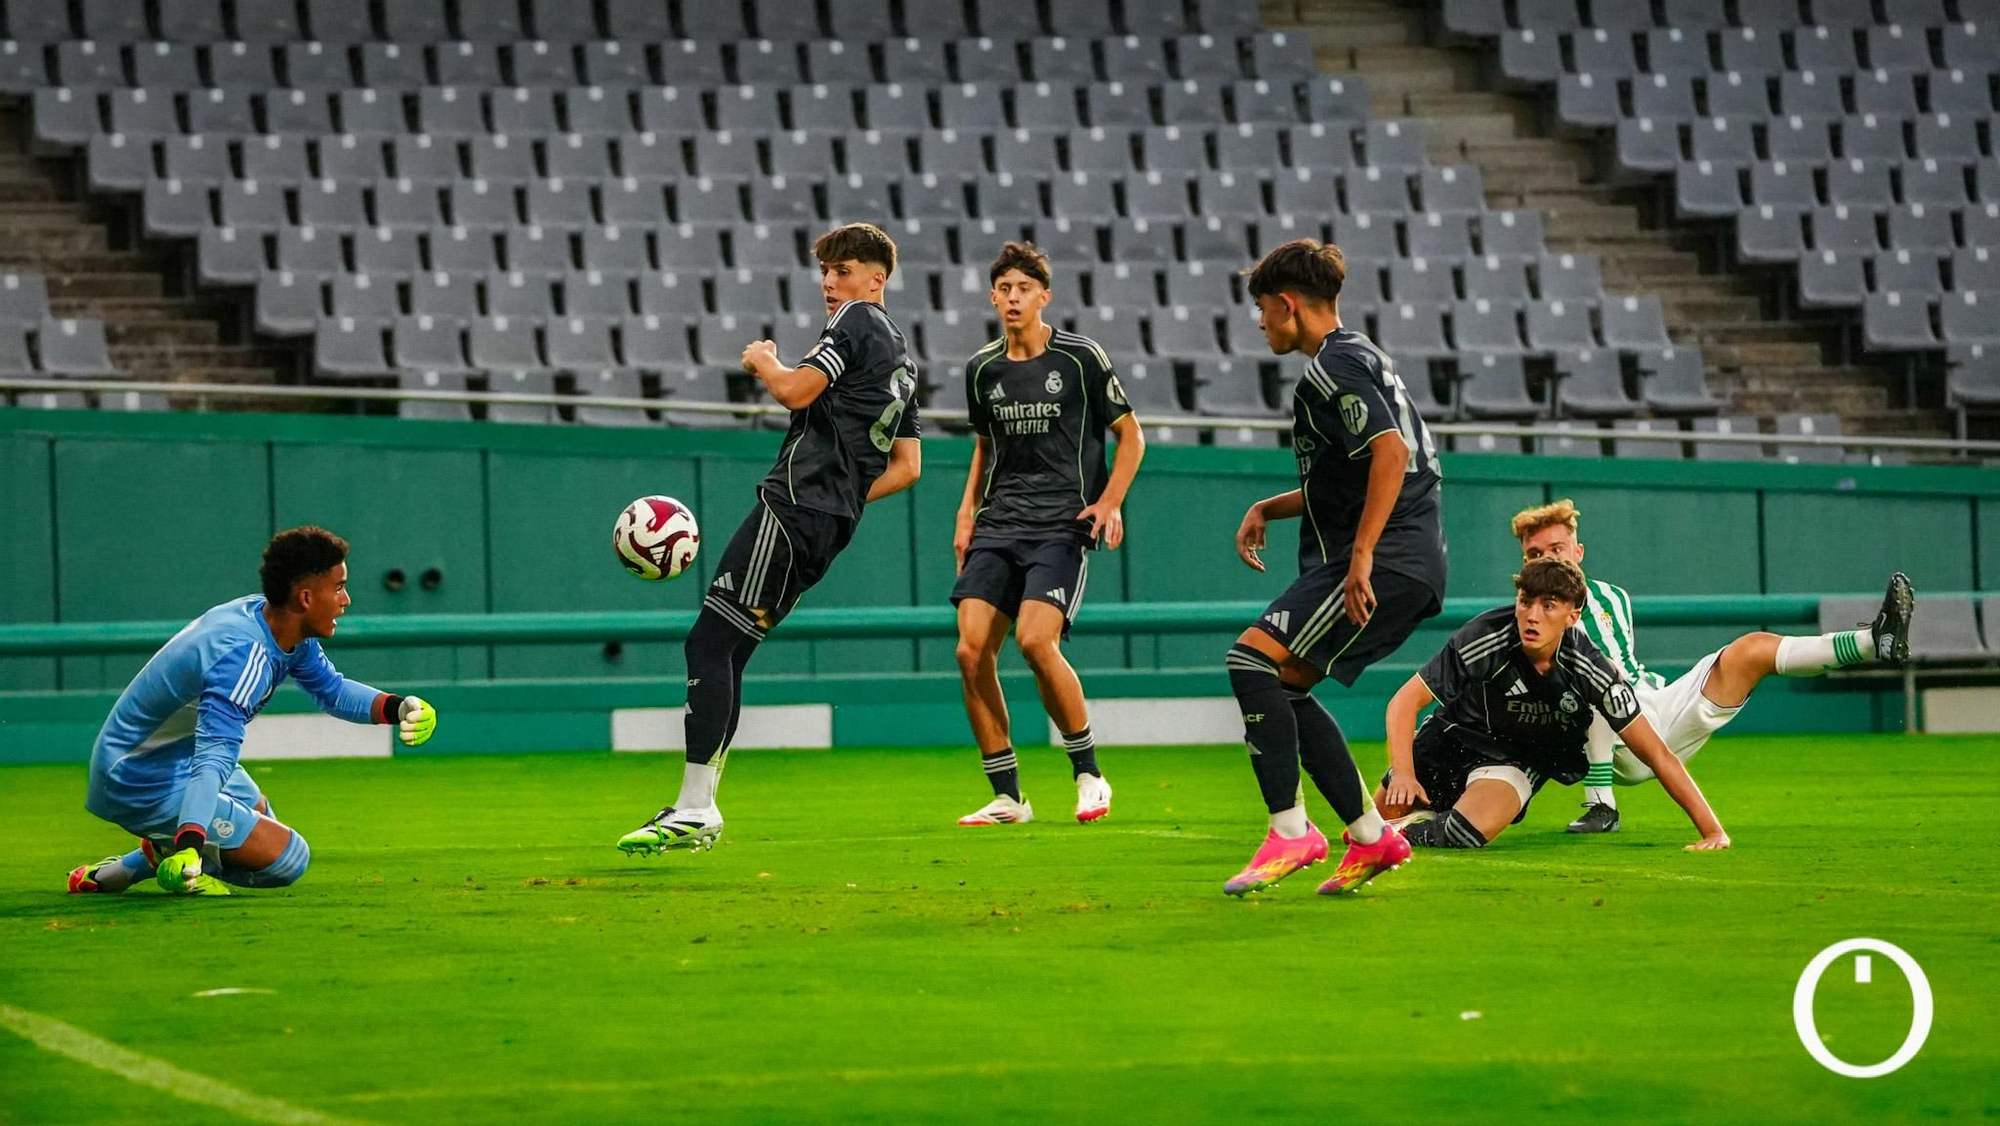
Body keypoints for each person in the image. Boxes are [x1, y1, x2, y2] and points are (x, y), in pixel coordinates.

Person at [618, 222, 922, 855]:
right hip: (827, 524)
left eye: (843, 270)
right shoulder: (903, 357)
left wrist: (764, 362)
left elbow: (795, 389)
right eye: (825, 273)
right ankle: (697, 804)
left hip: (792, 508)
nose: (830, 284)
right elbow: (907, 467)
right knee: (728, 650)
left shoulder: (858, 322)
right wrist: (841, 496)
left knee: (708, 642)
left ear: (877, 278)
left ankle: (697, 808)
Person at [1222, 238, 1448, 897]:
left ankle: (1292, 832)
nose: (1261, 323)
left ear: (1288, 304)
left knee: (1249, 661)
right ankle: (1374, 838)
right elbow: (1353, 472)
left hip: (1389, 556)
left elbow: (1388, 453)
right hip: (1413, 555)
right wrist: (1272, 506)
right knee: (1286, 684)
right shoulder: (1366, 354)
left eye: (1264, 309)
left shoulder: (1331, 369)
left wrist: (1363, 556)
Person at [67, 526, 436, 896]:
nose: (347, 600)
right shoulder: (243, 657)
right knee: (287, 858)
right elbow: (213, 759)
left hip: (170, 757)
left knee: (259, 813)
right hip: (136, 778)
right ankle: (182, 858)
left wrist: (399, 707)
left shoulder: (272, 619)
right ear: (305, 598)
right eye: (339, 587)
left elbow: (334, 691)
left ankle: (119, 871)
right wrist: (192, 842)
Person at [1509, 499, 1914, 831]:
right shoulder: (1522, 619)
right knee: (1593, 679)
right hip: (1607, 735)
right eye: (1535, 554)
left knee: (1749, 650)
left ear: (1578, 552)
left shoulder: (1612, 597)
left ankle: (1872, 641)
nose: (1547, 560)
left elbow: (1626, 666)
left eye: (1556, 550)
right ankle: (1601, 805)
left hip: (1652, 706)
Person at [951, 241, 1144, 826]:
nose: (1013, 298)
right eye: (1004, 289)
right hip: (999, 523)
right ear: (993, 297)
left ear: (1044, 296)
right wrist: (966, 515)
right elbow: (984, 448)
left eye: (1024, 289)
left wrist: (1109, 503)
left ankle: (1089, 774)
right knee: (969, 650)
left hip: (1062, 523)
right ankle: (1009, 796)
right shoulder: (982, 369)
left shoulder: (1080, 357)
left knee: (1036, 642)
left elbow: (1131, 436)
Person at [1376, 558, 1730, 851]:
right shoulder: (1484, 636)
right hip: (1454, 736)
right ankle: (1403, 819)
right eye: (1525, 601)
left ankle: (1405, 831)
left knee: (1463, 834)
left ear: (1573, 616)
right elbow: (1404, 702)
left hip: (1518, 757)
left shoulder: (1592, 668)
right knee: (1378, 816)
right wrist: (1404, 772)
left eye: (1549, 606)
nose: (1532, 615)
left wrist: (1712, 831)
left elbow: (1658, 754)